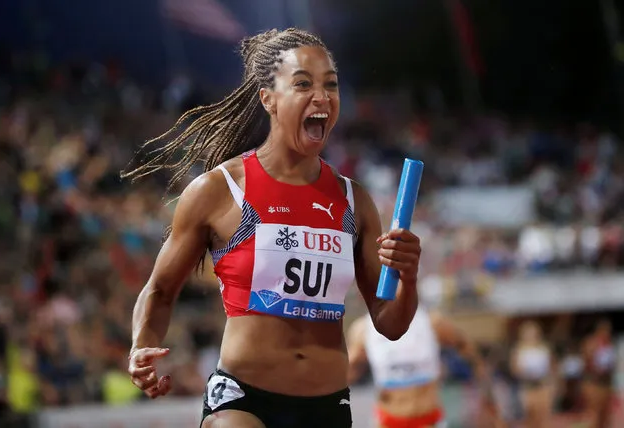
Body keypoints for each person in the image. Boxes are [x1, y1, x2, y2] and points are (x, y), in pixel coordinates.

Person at [122, 28, 422, 428]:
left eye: (330, 85)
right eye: (303, 84)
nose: (322, 96)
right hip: (243, 400)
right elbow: (159, 290)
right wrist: (142, 345)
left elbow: (390, 323)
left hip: (327, 406)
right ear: (268, 98)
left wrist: (409, 277)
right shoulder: (219, 190)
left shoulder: (354, 201)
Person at [347, 304, 500, 428]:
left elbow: (468, 351)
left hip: (427, 420)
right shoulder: (364, 328)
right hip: (388, 420)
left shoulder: (432, 322)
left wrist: (487, 396)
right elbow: (348, 372)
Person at [510, 321, 554, 428]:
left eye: (533, 333)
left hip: (542, 386)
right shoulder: (518, 350)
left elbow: (551, 367)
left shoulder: (543, 349)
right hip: (527, 387)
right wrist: (525, 372)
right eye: (528, 333)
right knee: (529, 418)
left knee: (543, 417)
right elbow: (515, 369)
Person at [582, 319, 616, 428]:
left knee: (606, 416)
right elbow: (587, 362)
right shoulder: (591, 343)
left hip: (605, 384)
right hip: (594, 383)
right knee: (594, 415)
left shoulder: (609, 345)